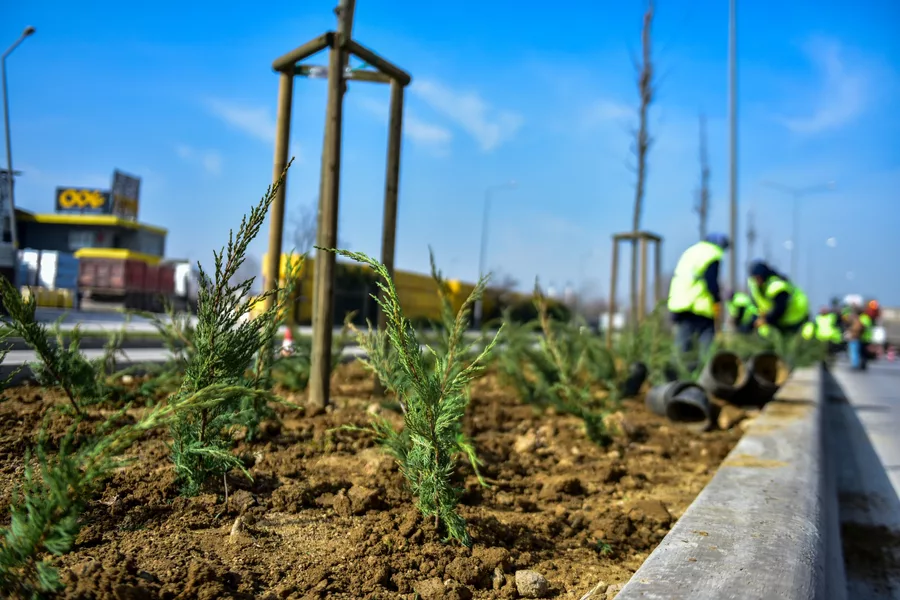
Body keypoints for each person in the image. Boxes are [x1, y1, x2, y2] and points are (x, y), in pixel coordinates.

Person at [667, 233, 729, 357]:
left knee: (682, 343)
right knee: (707, 338)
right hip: (698, 304)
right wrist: (716, 300)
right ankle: (706, 366)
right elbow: (711, 281)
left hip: (678, 302)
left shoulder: (692, 251)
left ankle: (677, 367)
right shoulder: (713, 253)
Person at [747, 260, 810, 337]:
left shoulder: (777, 285)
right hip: (776, 318)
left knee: (788, 338)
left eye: (758, 278)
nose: (757, 281)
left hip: (795, 314)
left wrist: (765, 320)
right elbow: (755, 306)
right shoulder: (755, 286)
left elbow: (779, 309)